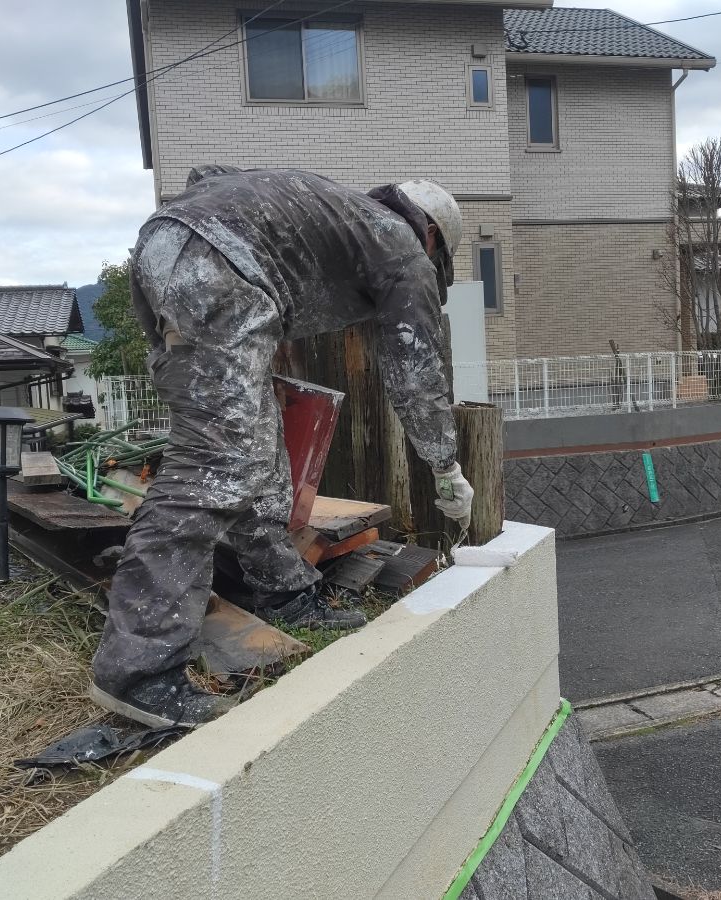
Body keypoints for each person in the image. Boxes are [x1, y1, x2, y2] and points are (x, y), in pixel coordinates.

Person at [90, 166, 475, 728]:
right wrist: (445, 467)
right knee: (213, 468)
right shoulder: (401, 247)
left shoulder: (340, 212)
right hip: (217, 266)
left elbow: (209, 175)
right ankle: (138, 671)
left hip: (170, 248)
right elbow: (417, 370)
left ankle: (283, 589)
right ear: (434, 237)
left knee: (258, 452)